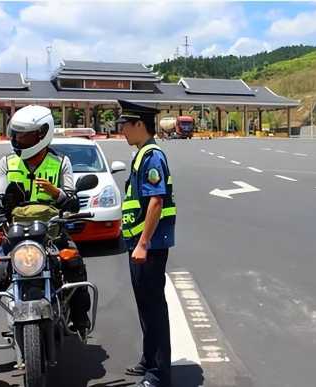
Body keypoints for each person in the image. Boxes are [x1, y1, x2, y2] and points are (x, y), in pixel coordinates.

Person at [0, 105, 91, 384]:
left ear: (42, 134)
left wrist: (57, 194)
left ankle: (80, 319)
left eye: (25, 136)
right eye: (17, 135)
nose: (18, 140)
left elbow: (72, 200)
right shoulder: (7, 163)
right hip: (17, 236)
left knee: (75, 265)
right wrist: (0, 207)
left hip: (51, 230)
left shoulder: (60, 163)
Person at [117, 100, 176, 387]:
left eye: (124, 125)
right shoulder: (141, 155)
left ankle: (159, 374)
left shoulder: (152, 156)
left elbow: (156, 201)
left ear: (139, 124)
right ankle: (148, 360)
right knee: (145, 306)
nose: (122, 131)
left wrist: (142, 243)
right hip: (140, 245)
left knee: (154, 308)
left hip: (149, 247)